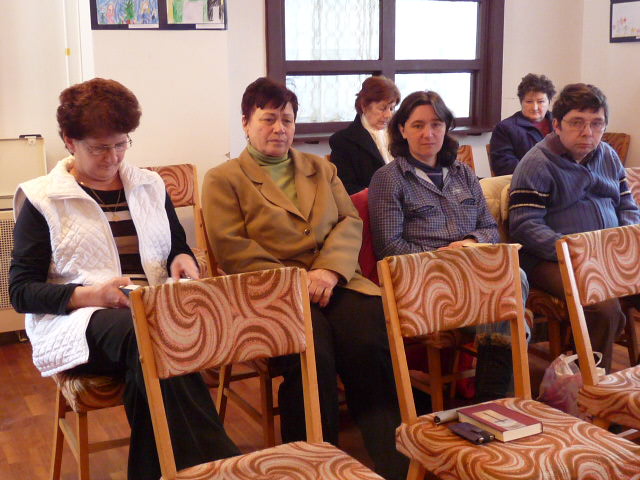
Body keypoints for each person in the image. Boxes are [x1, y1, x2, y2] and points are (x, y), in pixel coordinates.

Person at [9, 78, 239, 479]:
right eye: (99, 148)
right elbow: (21, 291)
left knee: (146, 366)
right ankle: (220, 464)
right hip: (78, 321)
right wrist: (92, 295)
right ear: (69, 141)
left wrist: (183, 261)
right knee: (149, 333)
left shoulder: (149, 185)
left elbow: (176, 246)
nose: (113, 157)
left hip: (151, 314)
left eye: (121, 144)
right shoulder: (42, 198)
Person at [202, 77, 408, 480]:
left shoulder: (320, 168)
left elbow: (349, 221)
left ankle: (396, 461)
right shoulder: (223, 178)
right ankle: (310, 464)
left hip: (335, 280)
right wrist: (298, 282)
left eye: (287, 120)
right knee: (311, 351)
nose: (279, 128)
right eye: (268, 119)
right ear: (245, 123)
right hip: (272, 291)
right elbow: (231, 247)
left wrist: (328, 270)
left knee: (369, 337)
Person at [369, 90, 529, 402]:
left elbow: (490, 229)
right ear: (402, 129)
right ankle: (497, 405)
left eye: (436, 124)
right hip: (426, 282)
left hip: (473, 275)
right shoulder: (389, 178)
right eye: (417, 125)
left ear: (446, 128)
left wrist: (470, 243)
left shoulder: (463, 173)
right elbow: (389, 248)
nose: (428, 133)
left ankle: (491, 403)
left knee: (513, 282)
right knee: (511, 310)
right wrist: (441, 260)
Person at [509, 83, 640, 373]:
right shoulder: (538, 163)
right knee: (604, 308)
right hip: (551, 259)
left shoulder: (608, 155)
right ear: (556, 124)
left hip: (609, 253)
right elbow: (525, 226)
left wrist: (626, 241)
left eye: (597, 124)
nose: (587, 132)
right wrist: (575, 252)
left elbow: (628, 205)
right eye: (577, 123)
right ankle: (592, 383)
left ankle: (633, 382)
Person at [329, 75, 400, 194]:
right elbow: (345, 187)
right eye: (382, 109)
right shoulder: (343, 141)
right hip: (372, 202)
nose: (388, 115)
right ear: (364, 106)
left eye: (392, 109)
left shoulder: (400, 134)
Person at [489, 73, 556, 176]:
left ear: (549, 102)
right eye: (529, 101)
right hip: (526, 181)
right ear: (521, 102)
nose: (535, 107)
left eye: (540, 101)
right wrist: (544, 173)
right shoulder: (505, 128)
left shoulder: (562, 123)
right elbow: (504, 166)